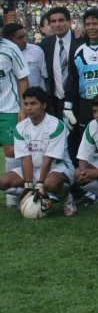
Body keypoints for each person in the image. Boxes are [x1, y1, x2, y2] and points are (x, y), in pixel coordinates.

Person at [0, 87, 76, 216]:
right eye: (26, 104)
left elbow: (49, 157)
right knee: (3, 182)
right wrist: (28, 186)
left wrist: (40, 184)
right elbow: (25, 157)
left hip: (57, 167)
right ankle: (31, 196)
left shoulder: (56, 125)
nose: (29, 108)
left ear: (44, 105)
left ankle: (67, 199)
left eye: (33, 103)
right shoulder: (20, 128)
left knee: (50, 184)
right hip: (33, 168)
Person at [64, 8, 98, 163]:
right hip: (86, 105)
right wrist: (67, 106)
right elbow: (73, 79)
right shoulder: (77, 50)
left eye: (95, 23)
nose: (91, 27)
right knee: (88, 144)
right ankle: (88, 182)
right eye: (87, 24)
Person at [0, 19, 29, 207]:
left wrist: (23, 107)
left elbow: (23, 77)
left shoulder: (10, 48)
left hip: (8, 108)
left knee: (11, 150)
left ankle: (12, 192)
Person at [40, 6, 82, 117]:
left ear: (69, 21)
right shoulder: (46, 44)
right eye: (53, 21)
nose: (57, 24)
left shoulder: (80, 40)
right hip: (56, 101)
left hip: (79, 99)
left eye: (61, 20)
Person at [2, 23, 46, 89]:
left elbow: (45, 75)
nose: (25, 40)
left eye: (25, 36)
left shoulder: (36, 50)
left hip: (37, 96)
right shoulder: (3, 56)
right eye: (20, 38)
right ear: (9, 41)